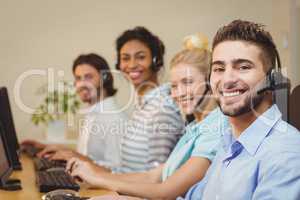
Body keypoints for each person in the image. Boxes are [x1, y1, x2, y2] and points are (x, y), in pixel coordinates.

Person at [66, 34, 227, 199]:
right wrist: (95, 177)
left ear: (211, 81)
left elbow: (164, 191)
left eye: (187, 82)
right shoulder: (194, 128)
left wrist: (98, 179)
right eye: (173, 85)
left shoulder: (214, 128)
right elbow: (152, 176)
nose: (178, 93)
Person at [183, 20, 300, 200]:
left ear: (271, 80)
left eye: (243, 67)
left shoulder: (285, 154)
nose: (227, 79)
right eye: (219, 69)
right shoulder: (229, 141)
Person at [22, 53, 127, 169]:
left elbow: (117, 170)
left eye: (88, 77)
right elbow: (89, 157)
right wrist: (52, 148)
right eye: (78, 78)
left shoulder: (114, 118)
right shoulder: (94, 113)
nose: (81, 84)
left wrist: (74, 156)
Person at [113, 26, 185, 172]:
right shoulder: (143, 104)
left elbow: (156, 179)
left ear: (156, 61)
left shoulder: (163, 108)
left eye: (140, 57)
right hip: (127, 191)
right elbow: (128, 169)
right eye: (125, 58)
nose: (132, 65)